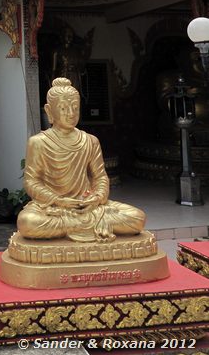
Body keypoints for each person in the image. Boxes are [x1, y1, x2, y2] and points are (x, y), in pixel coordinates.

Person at [17, 77, 145, 242]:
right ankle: (87, 226)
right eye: (63, 108)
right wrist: (59, 201)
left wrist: (97, 198)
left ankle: (74, 226)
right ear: (49, 111)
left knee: (137, 218)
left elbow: (100, 177)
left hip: (87, 206)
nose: (71, 113)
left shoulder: (90, 141)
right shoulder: (38, 143)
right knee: (27, 222)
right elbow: (31, 182)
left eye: (75, 107)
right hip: (53, 208)